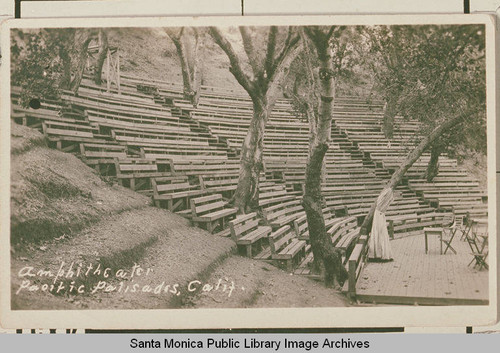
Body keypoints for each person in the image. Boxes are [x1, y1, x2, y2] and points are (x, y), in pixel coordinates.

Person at [368, 187, 394, 261]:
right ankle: (377, 253)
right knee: (378, 234)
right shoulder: (387, 193)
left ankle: (380, 254)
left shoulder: (388, 192)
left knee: (380, 234)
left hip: (379, 215)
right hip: (379, 214)